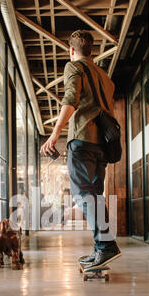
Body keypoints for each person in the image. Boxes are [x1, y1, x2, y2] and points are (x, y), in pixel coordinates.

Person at [40, 30, 121, 270]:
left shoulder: (74, 67)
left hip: (83, 140)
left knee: (83, 195)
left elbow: (70, 99)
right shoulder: (105, 77)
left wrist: (54, 135)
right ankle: (100, 249)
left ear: (72, 50)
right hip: (102, 145)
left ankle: (106, 247)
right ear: (91, 50)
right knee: (94, 196)